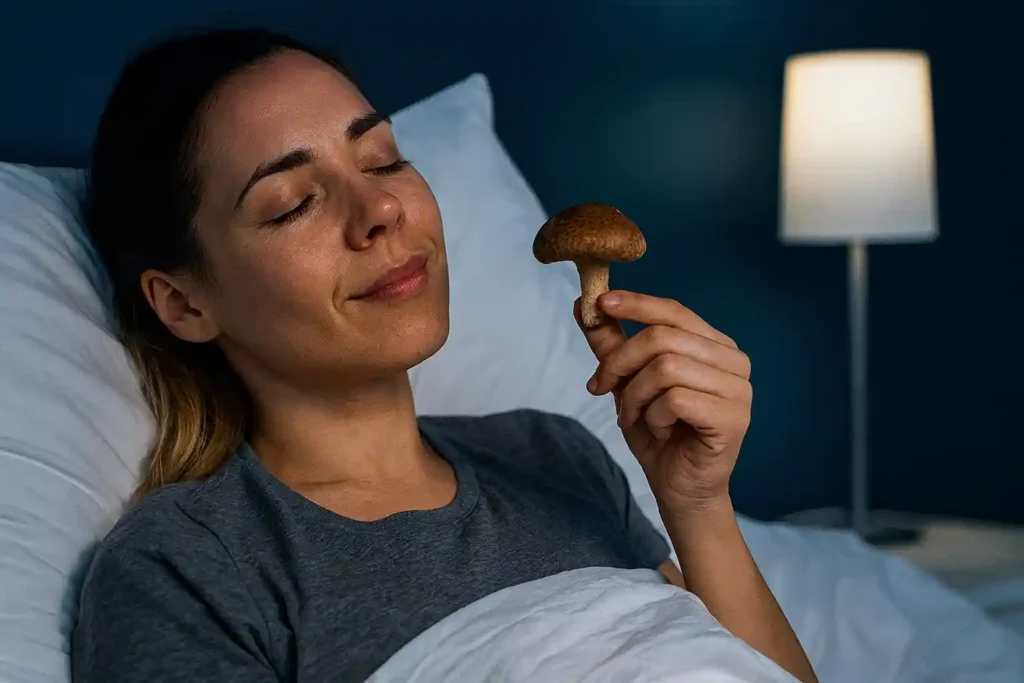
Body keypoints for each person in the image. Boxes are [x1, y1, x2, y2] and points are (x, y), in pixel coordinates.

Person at [72, 28, 817, 683]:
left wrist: (697, 504)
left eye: (384, 159)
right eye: (295, 201)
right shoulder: (188, 564)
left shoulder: (553, 453)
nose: (381, 210)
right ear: (184, 303)